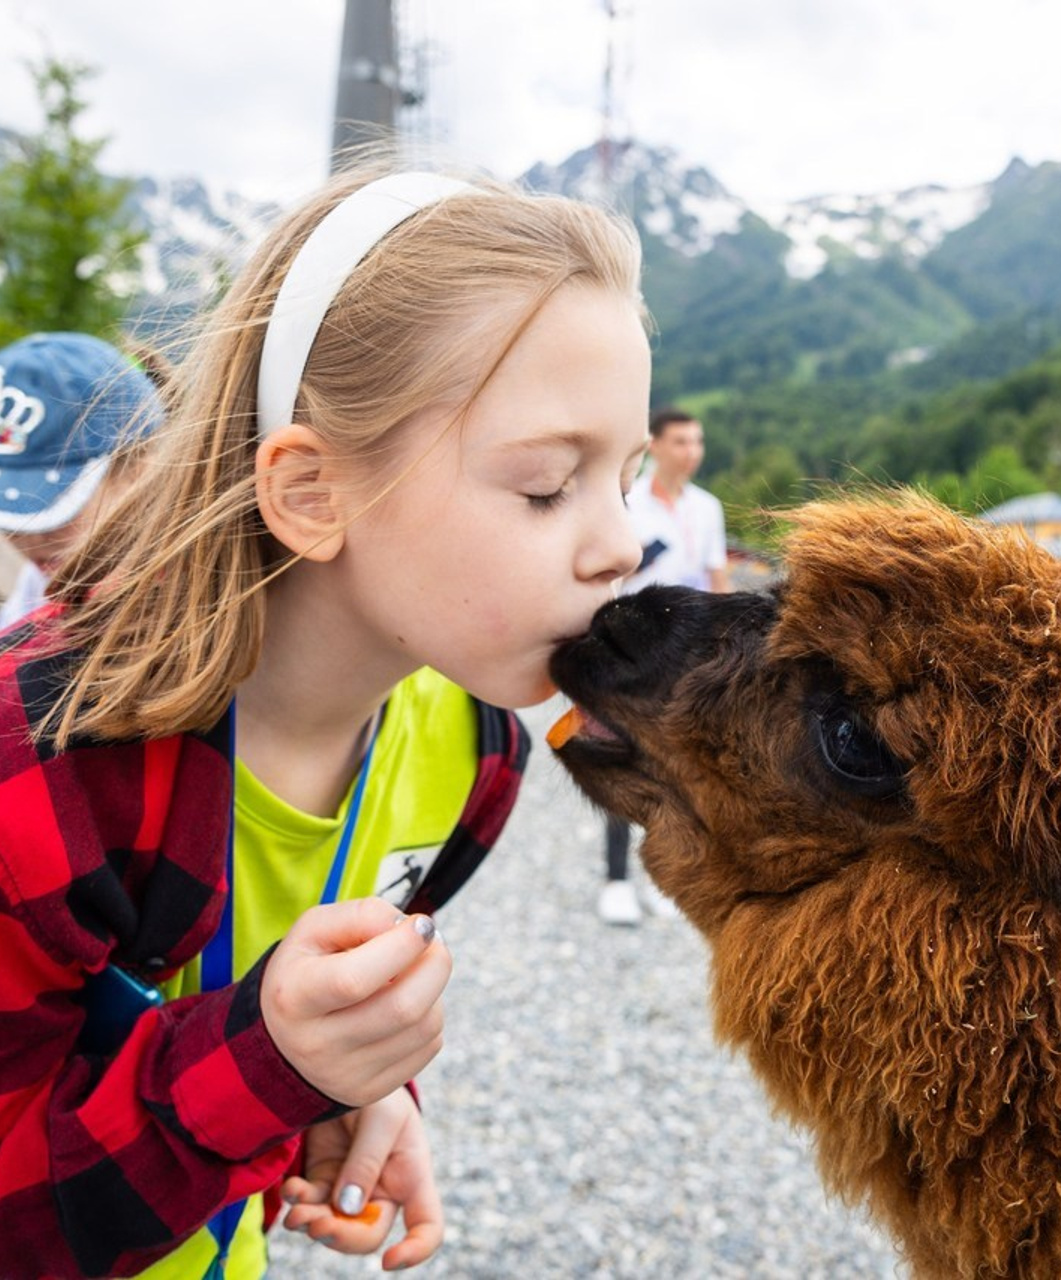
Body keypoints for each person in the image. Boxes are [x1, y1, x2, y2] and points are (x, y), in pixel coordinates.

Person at [0, 166, 651, 1279]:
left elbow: (262, 996)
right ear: (310, 493)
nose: (621, 546)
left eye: (625, 478)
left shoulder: (474, 752)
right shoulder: (45, 767)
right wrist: (266, 1062)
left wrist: (343, 1085)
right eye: (546, 487)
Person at [598, 406, 730, 925]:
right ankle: (614, 879)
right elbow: (608, 579)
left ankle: (659, 876)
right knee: (618, 759)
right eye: (681, 442)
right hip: (633, 648)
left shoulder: (708, 507)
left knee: (672, 765)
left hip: (689, 652)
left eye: (697, 442)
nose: (692, 452)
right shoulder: (626, 507)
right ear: (654, 445)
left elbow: (717, 579)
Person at [0, 332, 164, 628]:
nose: (29, 538)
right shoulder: (37, 583)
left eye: (49, 506)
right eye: (8, 519)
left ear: (142, 473)